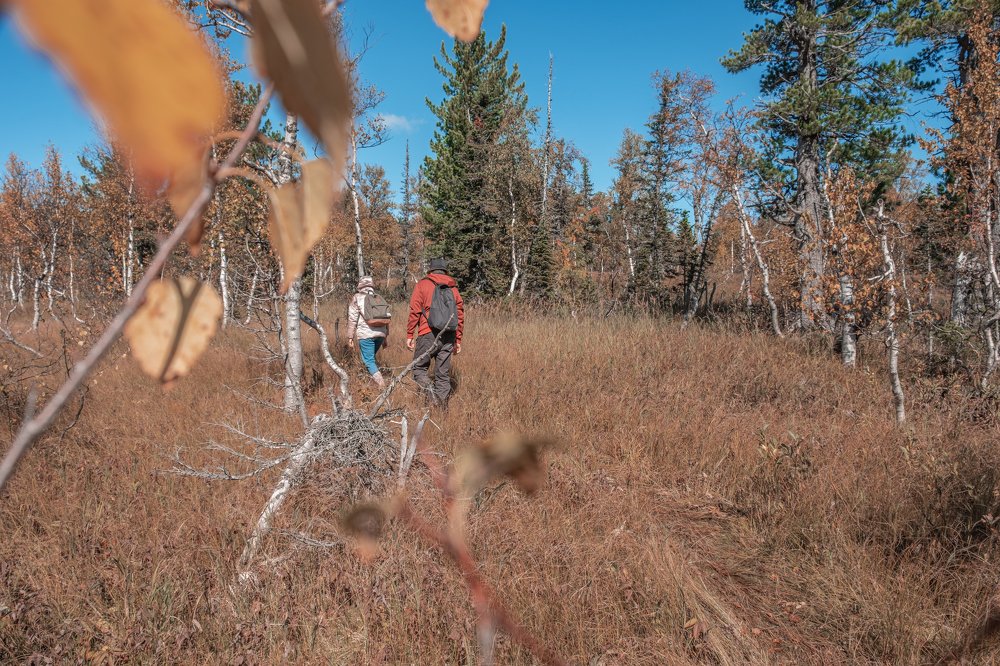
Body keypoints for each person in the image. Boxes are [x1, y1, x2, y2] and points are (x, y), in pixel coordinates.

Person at [406, 258, 464, 407]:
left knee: (419, 368)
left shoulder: (423, 284)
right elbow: (460, 315)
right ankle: (442, 409)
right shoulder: (453, 287)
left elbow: (415, 311)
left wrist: (410, 334)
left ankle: (430, 393)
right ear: (445, 271)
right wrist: (458, 340)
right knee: (443, 375)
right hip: (449, 335)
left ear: (430, 270)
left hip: (427, 333)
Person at [347, 276, 389, 388]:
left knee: (368, 361)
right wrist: (385, 338)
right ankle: (370, 382)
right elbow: (386, 318)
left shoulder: (357, 297)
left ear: (360, 285)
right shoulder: (379, 298)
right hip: (381, 334)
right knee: (370, 359)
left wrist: (350, 337)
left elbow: (352, 318)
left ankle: (382, 386)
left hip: (366, 334)